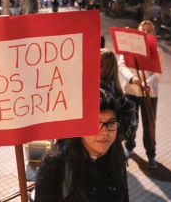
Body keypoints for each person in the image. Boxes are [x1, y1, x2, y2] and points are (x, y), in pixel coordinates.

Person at [34, 89, 129, 201]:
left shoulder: (116, 153)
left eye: (111, 123)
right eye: (94, 124)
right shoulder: (56, 162)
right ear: (80, 126)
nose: (105, 132)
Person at [118, 21, 163, 168]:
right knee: (131, 121)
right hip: (131, 90)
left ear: (153, 33)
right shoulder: (128, 48)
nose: (145, 32)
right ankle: (129, 146)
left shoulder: (157, 49)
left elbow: (158, 71)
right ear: (137, 31)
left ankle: (151, 154)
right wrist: (132, 78)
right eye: (142, 30)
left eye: (148, 30)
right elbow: (122, 65)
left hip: (149, 93)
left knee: (149, 124)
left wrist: (147, 83)